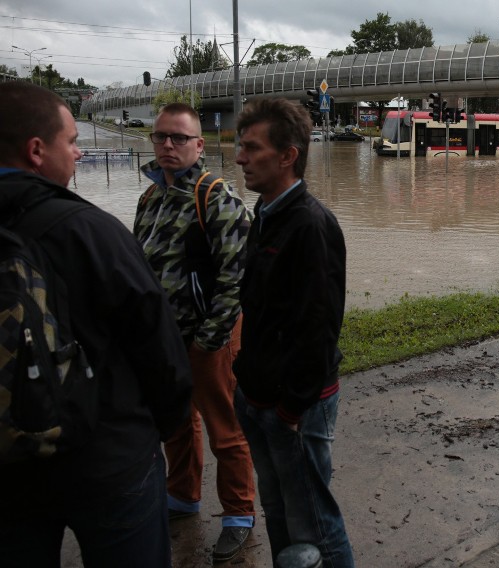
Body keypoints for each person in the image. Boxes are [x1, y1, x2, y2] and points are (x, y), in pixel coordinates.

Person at [0, 83, 192, 566]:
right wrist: (162, 428)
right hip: (109, 457)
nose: (79, 150)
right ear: (37, 151)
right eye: (70, 142)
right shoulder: (90, 230)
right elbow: (158, 344)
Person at [232, 98, 355, 567]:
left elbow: (318, 330)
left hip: (293, 409)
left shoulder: (310, 225)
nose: (240, 158)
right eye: (241, 147)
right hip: (260, 397)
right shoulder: (264, 213)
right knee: (279, 510)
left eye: (251, 148)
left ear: (288, 155)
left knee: (316, 526)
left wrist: (290, 409)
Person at [134, 103, 256, 562]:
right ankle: (183, 497)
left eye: (179, 138)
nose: (168, 144)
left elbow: (237, 276)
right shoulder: (151, 197)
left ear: (200, 146)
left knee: (226, 429)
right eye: (161, 136)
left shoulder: (216, 195)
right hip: (164, 339)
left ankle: (239, 514)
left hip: (210, 338)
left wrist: (211, 339)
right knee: (178, 422)